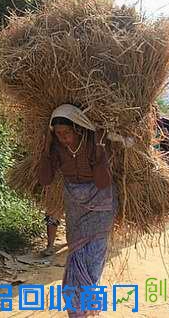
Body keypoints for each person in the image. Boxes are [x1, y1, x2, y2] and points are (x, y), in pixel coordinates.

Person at [39, 104, 131, 317]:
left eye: (67, 132)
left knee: (95, 256)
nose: (63, 138)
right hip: (75, 205)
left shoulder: (93, 142)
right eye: (59, 134)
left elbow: (102, 182)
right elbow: (45, 178)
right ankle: (78, 310)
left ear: (78, 128)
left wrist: (99, 150)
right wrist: (46, 147)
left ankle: (88, 307)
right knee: (77, 254)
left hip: (102, 203)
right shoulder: (56, 148)